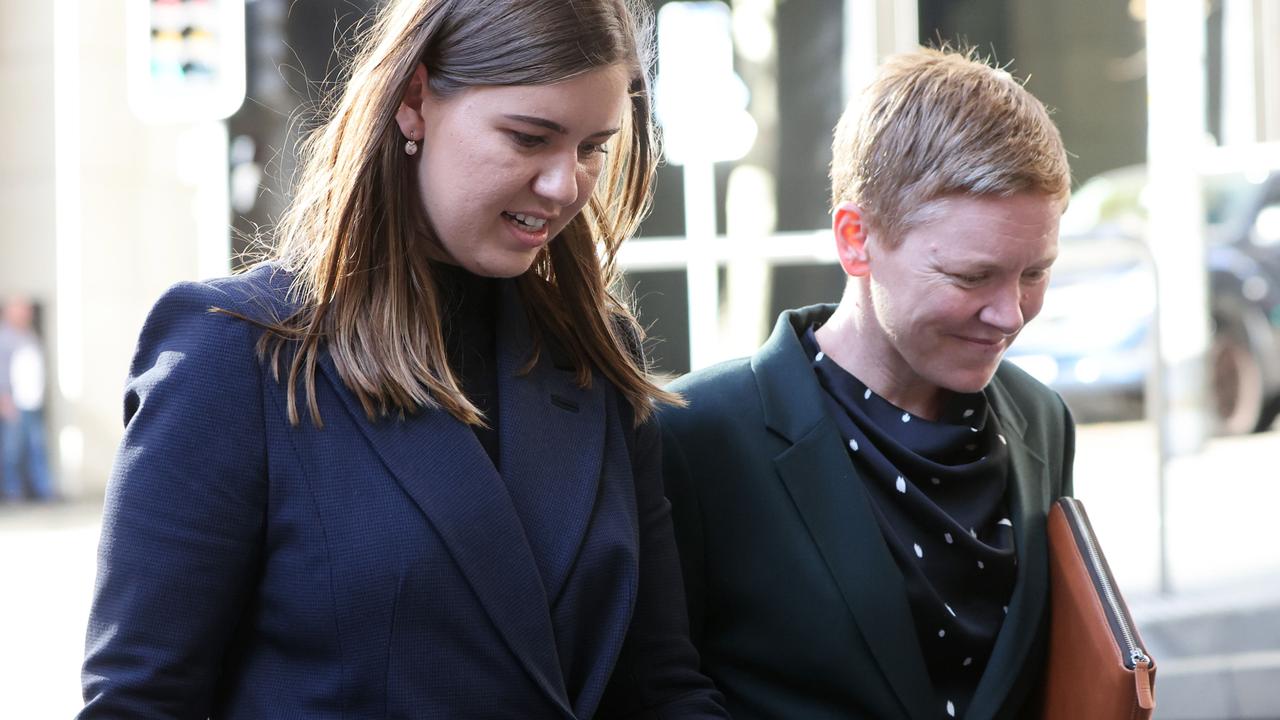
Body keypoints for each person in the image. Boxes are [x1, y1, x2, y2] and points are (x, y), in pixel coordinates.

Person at [80, 1, 727, 717]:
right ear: (416, 100)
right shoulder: (235, 352)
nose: (565, 184)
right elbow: (139, 702)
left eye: (591, 147)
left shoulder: (593, 353)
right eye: (529, 137)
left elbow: (662, 684)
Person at [659, 47, 1074, 720]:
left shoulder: (1040, 418)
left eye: (1036, 273)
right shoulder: (695, 434)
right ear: (856, 239)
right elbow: (657, 692)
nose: (1011, 313)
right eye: (972, 277)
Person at [0, 296, 55, 503]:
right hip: (14, 403)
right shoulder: (4, 337)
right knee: (12, 451)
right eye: (21, 309)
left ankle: (44, 491)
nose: (27, 313)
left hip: (33, 402)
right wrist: (4, 399)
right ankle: (12, 492)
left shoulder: (29, 335)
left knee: (37, 447)